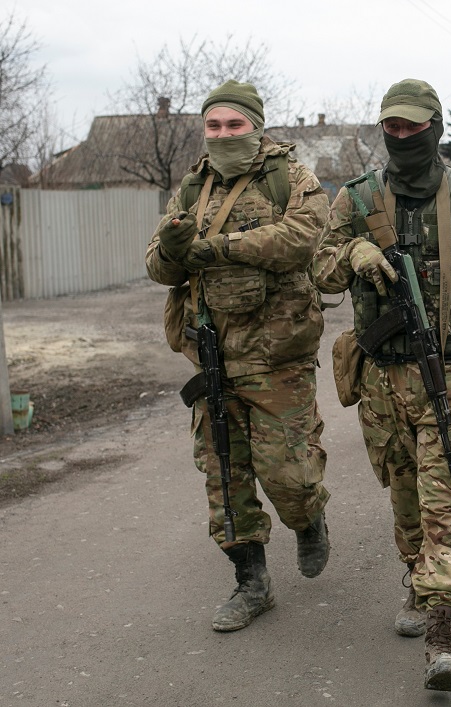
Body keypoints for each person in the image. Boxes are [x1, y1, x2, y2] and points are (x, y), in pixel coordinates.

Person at [311, 78, 451, 691]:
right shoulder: (356, 199)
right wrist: (351, 250)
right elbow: (319, 272)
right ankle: (417, 577)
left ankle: (443, 637)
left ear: (436, 128)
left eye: (414, 126)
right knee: (405, 497)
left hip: (449, 377)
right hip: (381, 380)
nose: (403, 136)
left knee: (446, 501)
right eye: (393, 127)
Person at [145, 80, 332, 633]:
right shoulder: (191, 188)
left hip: (277, 358)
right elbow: (158, 266)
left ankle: (309, 519)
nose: (223, 134)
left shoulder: (291, 176)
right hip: (212, 360)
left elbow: (301, 240)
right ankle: (251, 583)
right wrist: (176, 252)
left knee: (290, 477)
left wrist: (216, 249)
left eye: (234, 125)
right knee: (225, 477)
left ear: (255, 126)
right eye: (214, 126)